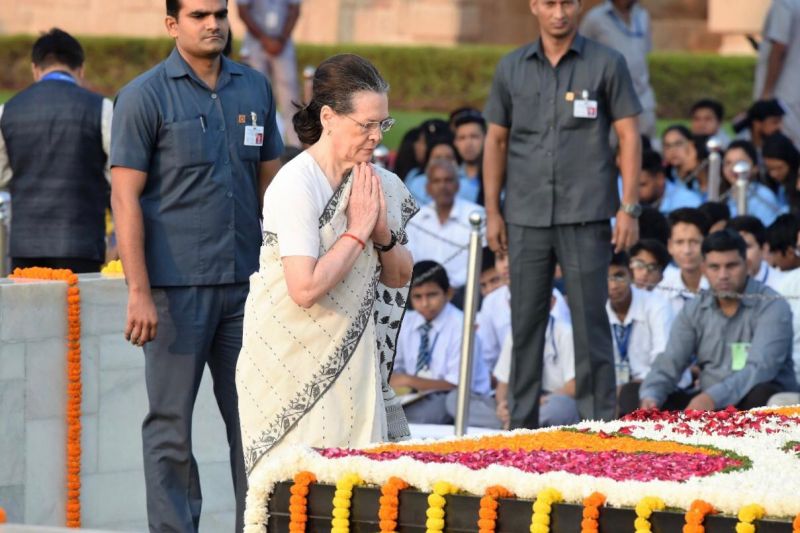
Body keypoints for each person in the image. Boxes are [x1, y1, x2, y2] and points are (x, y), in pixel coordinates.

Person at [109, 1, 284, 530]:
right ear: (172, 24)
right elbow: (124, 199)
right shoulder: (144, 96)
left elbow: (273, 187)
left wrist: (278, 276)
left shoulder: (254, 88)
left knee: (256, 423)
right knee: (170, 428)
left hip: (245, 290)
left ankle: (256, 525)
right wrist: (138, 290)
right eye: (198, 15)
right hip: (173, 291)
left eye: (219, 13)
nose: (213, 24)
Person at [236, 54, 418, 527]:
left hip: (356, 368)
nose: (377, 137)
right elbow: (304, 286)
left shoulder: (380, 183)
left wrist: (381, 235)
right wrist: (357, 231)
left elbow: (399, 276)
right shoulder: (295, 185)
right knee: (300, 505)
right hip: (289, 367)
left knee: (360, 502)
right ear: (329, 118)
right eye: (367, 125)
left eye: (384, 124)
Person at [483, 0, 642, 428]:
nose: (559, 12)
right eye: (549, 2)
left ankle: (599, 428)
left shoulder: (607, 62)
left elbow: (629, 135)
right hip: (526, 213)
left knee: (592, 321)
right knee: (526, 322)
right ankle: (520, 428)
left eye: (567, 2)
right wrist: (493, 211)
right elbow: (495, 141)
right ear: (534, 6)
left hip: (586, 212)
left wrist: (629, 207)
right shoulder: (511, 67)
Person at [639, 229, 797, 411]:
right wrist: (651, 395)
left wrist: (712, 398)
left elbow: (761, 368)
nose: (723, 275)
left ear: (747, 265)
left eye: (731, 266)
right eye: (714, 267)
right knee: (644, 396)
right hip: (708, 401)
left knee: (761, 394)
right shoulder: (695, 308)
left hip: (754, 399)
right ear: (704, 269)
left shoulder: (772, 305)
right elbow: (671, 361)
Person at [0, 29, 112, 273]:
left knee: (30, 311)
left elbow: (2, 176)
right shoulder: (101, 108)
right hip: (82, 243)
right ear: (80, 69)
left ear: (35, 68)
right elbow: (117, 174)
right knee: (77, 310)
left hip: (24, 247)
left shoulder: (7, 111)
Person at [391, 261, 497, 428]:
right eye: (417, 297)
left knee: (449, 403)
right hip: (418, 396)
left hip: (462, 397)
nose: (425, 303)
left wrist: (410, 381)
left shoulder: (462, 326)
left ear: (448, 293)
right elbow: (396, 369)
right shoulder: (407, 323)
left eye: (432, 295)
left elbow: (455, 384)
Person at [406, 157, 484, 307]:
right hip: (423, 293)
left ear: (457, 185)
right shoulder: (416, 220)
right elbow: (411, 259)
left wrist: (449, 289)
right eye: (437, 181)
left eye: (448, 180)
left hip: (464, 294)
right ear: (428, 187)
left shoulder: (477, 215)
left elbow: (481, 262)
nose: (443, 186)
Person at [606, 251, 675, 416]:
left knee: (629, 396)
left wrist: (625, 388)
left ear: (631, 274)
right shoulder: (596, 310)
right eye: (605, 278)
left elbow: (663, 359)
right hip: (615, 391)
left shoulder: (657, 306)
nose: (613, 285)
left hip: (657, 386)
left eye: (619, 276)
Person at [494, 298, 579, 429]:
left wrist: (533, 402)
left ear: (552, 303)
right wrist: (503, 405)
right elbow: (502, 385)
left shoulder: (565, 332)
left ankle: (516, 424)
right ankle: (514, 421)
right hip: (519, 402)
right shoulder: (514, 335)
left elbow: (572, 387)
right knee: (456, 402)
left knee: (557, 408)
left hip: (552, 399)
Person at [579, 0, 656, 140]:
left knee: (647, 148)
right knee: (612, 148)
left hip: (642, 97)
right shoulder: (594, 18)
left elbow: (645, 51)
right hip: (610, 98)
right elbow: (582, 56)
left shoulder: (643, 15)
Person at [237, 0, 301, 147]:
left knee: (289, 96)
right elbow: (242, 10)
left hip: (283, 43)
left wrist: (281, 39)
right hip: (255, 42)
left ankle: (294, 145)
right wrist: (265, 39)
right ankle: (255, 143)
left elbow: (295, 10)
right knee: (255, 95)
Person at [754, 0, 800, 148]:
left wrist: (767, 93)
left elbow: (779, 48)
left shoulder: (784, 3)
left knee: (782, 148)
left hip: (784, 94)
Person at [658, 208, 711, 316]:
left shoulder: (720, 284)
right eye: (679, 242)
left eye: (694, 242)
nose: (687, 250)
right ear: (670, 246)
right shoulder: (660, 288)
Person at [722, 140, 782, 226]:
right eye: (728, 163)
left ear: (755, 167)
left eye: (740, 163)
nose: (733, 168)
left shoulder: (764, 195)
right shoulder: (723, 195)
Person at [727, 215, 784, 289]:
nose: (739, 256)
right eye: (732, 247)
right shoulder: (712, 285)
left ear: (764, 249)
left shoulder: (783, 286)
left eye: (746, 247)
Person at [639, 150, 701, 214]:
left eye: (642, 184)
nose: (636, 191)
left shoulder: (687, 202)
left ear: (660, 178)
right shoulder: (635, 202)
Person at [452, 108, 487, 204]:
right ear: (455, 143)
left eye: (474, 136)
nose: (468, 144)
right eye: (462, 138)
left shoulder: (499, 178)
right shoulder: (449, 178)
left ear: (486, 138)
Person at [662, 125, 709, 194]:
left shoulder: (705, 169)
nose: (673, 150)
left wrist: (698, 171)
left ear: (691, 145)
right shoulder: (663, 176)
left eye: (678, 144)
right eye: (667, 146)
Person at [763, 131, 800, 212]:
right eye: (769, 169)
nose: (773, 174)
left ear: (790, 162)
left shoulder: (797, 182)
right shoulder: (770, 183)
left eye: (778, 168)